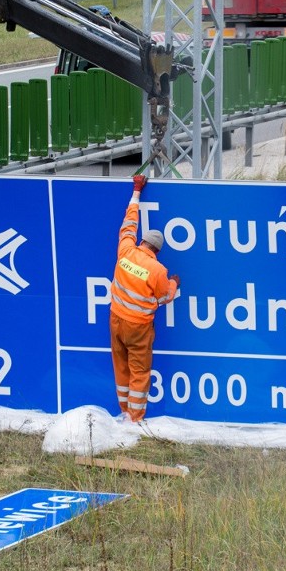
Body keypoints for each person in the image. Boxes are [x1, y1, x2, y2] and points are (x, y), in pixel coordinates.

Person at [109, 175, 179, 421]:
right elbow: (164, 298)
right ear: (157, 251)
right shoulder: (158, 270)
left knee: (121, 365)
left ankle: (123, 410)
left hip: (116, 319)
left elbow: (129, 222)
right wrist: (174, 283)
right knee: (139, 371)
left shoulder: (126, 250)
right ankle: (135, 417)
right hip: (138, 327)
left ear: (142, 242)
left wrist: (137, 191)